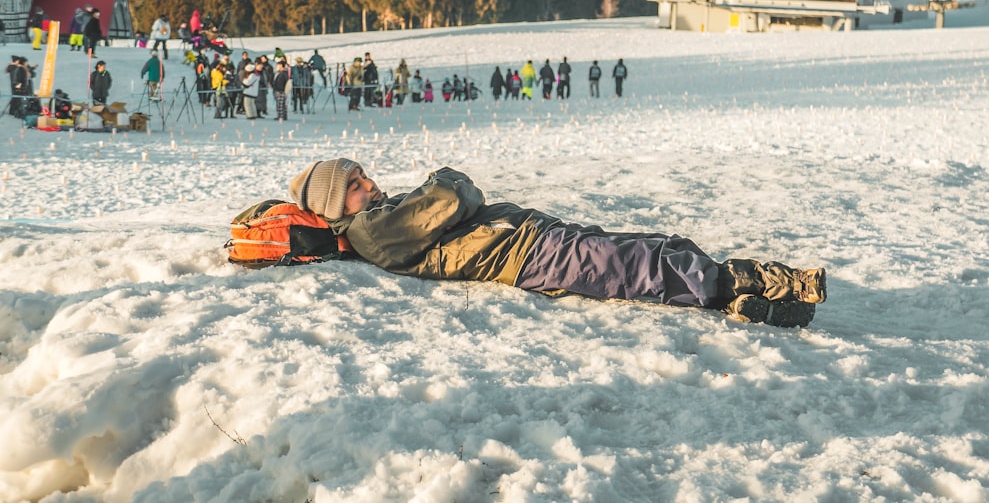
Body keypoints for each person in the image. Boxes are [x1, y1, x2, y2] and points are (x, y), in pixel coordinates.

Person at [288, 160, 828, 328]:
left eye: (363, 175)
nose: (370, 185)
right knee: (637, 264)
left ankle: (739, 301)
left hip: (529, 238)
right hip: (525, 255)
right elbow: (455, 194)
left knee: (645, 249)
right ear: (337, 206)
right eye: (354, 186)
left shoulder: (380, 214)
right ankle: (765, 280)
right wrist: (447, 178)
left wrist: (456, 193)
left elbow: (460, 199)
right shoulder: (371, 229)